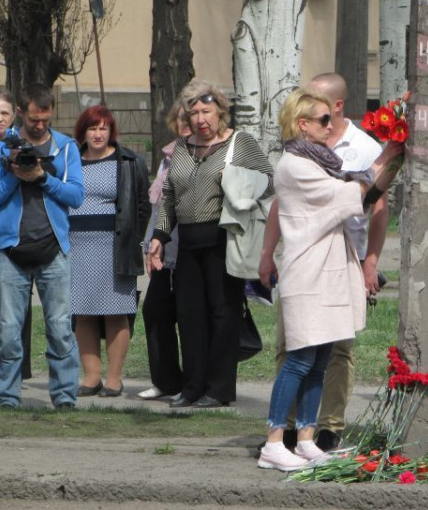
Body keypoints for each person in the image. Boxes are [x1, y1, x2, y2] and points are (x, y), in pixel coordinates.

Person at [257, 88, 404, 472]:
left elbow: (363, 196)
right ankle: (275, 440)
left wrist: (392, 158)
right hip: (308, 271)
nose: (330, 125)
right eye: (323, 120)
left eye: (330, 118)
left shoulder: (319, 160)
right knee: (300, 357)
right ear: (302, 125)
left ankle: (306, 437)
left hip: (329, 270)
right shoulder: (295, 165)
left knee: (321, 357)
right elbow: (346, 195)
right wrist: (384, 156)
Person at [146, 79, 274, 409]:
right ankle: (192, 387)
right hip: (188, 241)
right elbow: (170, 196)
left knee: (222, 313)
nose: (201, 118)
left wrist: (236, 180)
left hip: (223, 240)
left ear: (220, 110)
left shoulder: (239, 143)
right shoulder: (182, 146)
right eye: (194, 112)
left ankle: (219, 389)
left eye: (207, 110)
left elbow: (270, 183)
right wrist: (159, 236)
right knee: (189, 315)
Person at [0, 83, 84, 408]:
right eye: (34, 120)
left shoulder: (66, 147)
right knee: (9, 331)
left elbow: (76, 196)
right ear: (21, 113)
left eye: (45, 119)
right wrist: (14, 174)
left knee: (59, 329)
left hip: (53, 250)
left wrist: (42, 177)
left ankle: (65, 397)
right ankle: (8, 398)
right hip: (10, 253)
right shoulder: (0, 150)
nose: (40, 125)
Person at [69, 105, 150, 397]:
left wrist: (135, 239)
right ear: (83, 132)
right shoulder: (69, 160)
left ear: (111, 131)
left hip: (115, 246)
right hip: (76, 246)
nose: (98, 134)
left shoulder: (128, 161)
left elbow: (142, 205)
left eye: (103, 128)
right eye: (92, 128)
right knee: (83, 312)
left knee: (117, 312)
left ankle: (114, 378)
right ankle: (91, 377)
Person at [138, 98, 191, 400]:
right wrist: (150, 245)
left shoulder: (204, 155)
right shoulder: (168, 156)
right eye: (181, 118)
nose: (186, 123)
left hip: (190, 248)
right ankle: (166, 380)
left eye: (191, 118)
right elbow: (159, 207)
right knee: (155, 310)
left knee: (189, 316)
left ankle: (196, 381)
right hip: (163, 248)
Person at [0, 88, 34, 389]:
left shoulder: (25, 143)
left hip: (16, 229)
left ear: (14, 113)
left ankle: (19, 367)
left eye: (4, 112)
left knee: (16, 302)